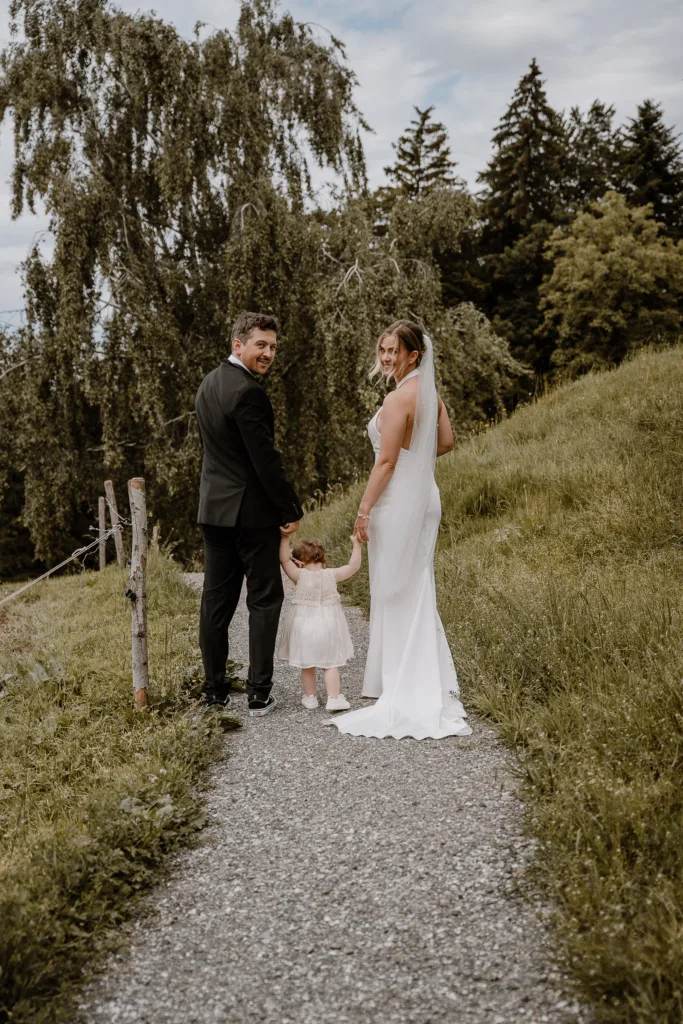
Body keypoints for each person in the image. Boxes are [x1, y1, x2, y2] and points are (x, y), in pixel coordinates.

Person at [326, 320, 472, 739]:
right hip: (425, 497)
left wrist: (364, 510)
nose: (387, 358)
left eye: (394, 351)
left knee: (392, 587)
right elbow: (446, 442)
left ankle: (402, 681)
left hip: (396, 500)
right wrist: (417, 456)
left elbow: (386, 462)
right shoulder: (430, 395)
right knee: (415, 583)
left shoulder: (397, 398)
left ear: (414, 355)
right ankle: (414, 676)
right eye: (383, 350)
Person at [195, 311, 303, 717]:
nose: (269, 353)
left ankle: (214, 691)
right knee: (264, 599)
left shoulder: (208, 384)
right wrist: (290, 508)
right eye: (261, 345)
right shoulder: (248, 392)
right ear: (238, 344)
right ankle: (258, 693)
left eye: (273, 347)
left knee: (216, 602)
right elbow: (265, 461)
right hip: (252, 515)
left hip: (213, 511)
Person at [278, 535, 362, 711]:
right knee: (330, 664)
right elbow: (353, 566)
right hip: (328, 627)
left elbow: (284, 559)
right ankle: (334, 698)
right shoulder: (332, 575)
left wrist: (285, 538)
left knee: (307, 665)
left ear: (299, 563)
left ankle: (311, 698)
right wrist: (357, 544)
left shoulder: (299, 575)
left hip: (303, 628)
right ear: (323, 560)